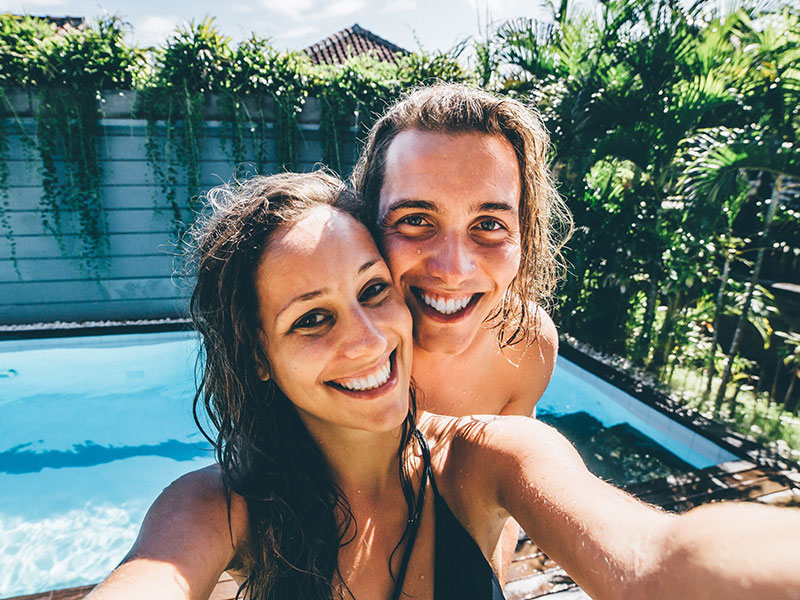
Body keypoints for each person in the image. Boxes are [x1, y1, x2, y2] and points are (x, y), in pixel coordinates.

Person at [87, 171, 800, 600]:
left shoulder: (489, 459)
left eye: (373, 290)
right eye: (311, 319)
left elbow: (652, 561)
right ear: (261, 359)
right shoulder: (219, 506)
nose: (366, 340)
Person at [352, 83, 572, 419]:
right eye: (415, 219)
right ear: (367, 220)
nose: (454, 270)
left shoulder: (527, 345)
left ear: (525, 234)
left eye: (488, 225)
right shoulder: (337, 356)